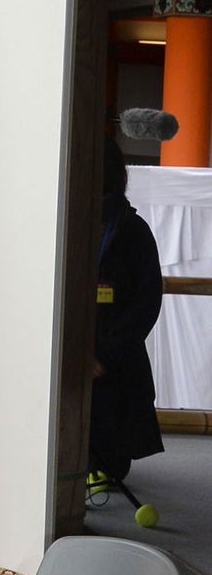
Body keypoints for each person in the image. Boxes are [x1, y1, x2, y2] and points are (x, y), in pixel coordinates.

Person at [90, 135, 164, 484]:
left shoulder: (133, 231)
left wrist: (103, 356)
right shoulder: (62, 224)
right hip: (65, 354)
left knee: (111, 464)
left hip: (114, 360)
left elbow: (147, 303)